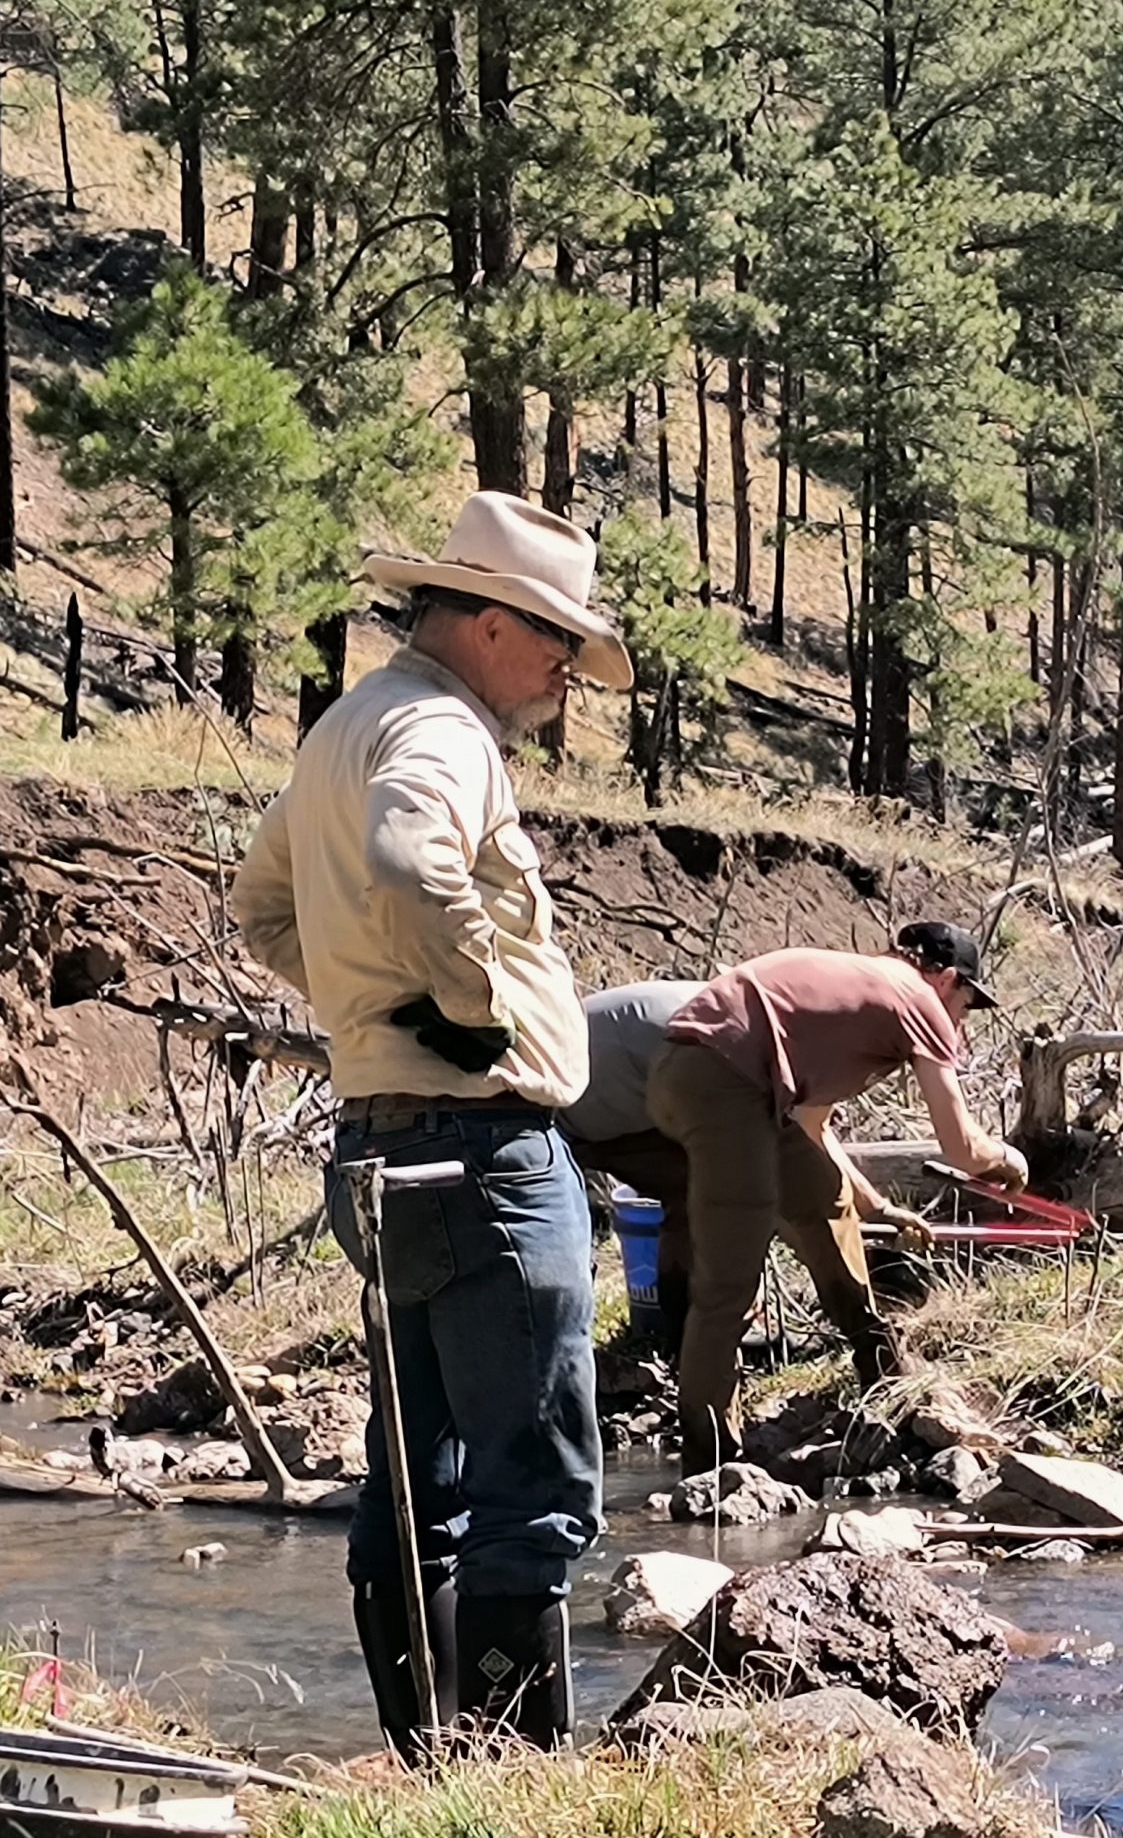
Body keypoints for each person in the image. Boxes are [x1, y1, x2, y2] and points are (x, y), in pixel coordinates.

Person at [232, 491, 632, 1758]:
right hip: (483, 1148)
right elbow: (412, 864)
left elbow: (264, 914)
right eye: (560, 642)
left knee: (418, 1475)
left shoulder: (344, 725)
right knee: (537, 1483)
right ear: (492, 622)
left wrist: (373, 1009)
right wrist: (471, 1001)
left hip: (380, 1144)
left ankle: (431, 1765)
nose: (568, 672)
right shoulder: (445, 733)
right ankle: (518, 1781)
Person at [647, 926, 1029, 1473]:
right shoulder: (917, 998)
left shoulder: (858, 990)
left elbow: (812, 1126)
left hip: (691, 1074)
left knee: (822, 1195)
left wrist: (877, 1206)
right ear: (947, 979)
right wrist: (1007, 1160)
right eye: (965, 1005)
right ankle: (710, 1468)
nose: (961, 1022)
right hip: (722, 1084)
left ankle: (883, 1370)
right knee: (728, 1285)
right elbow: (962, 1148)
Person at [559, 971, 939, 1367]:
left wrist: (876, 1209)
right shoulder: (750, 1054)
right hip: (566, 1109)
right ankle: (860, 1337)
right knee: (746, 1186)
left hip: (590, 1083)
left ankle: (681, 1338)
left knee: (699, 1186)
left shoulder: (749, 1018)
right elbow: (804, 1168)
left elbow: (813, 1133)